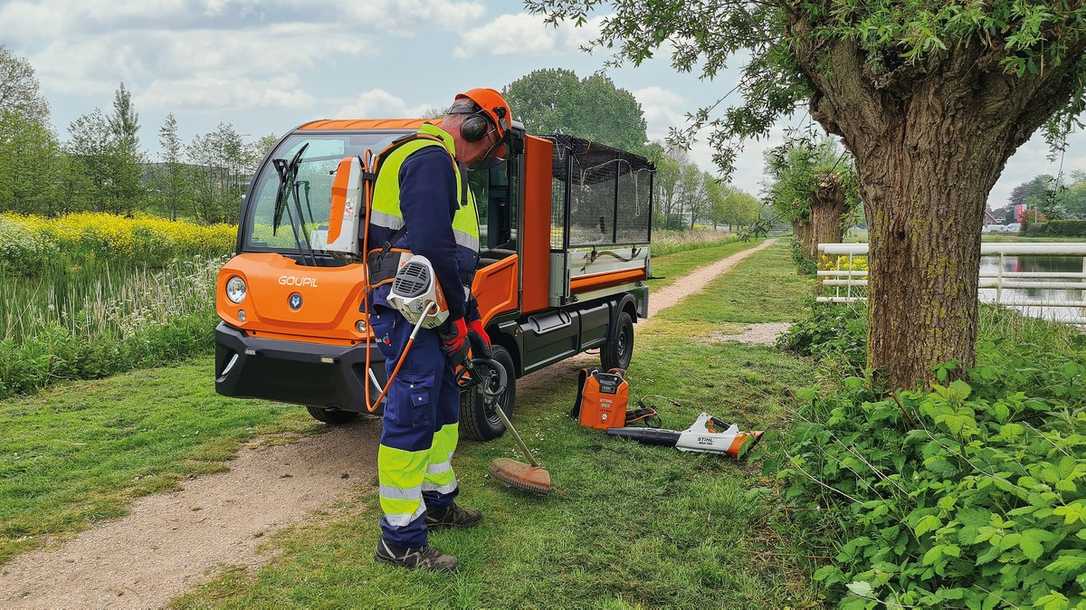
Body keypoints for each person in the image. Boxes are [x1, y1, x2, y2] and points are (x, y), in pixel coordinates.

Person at [365, 88, 513, 572]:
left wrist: (468, 322)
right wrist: (452, 323)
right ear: (477, 128)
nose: (486, 156)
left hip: (438, 307)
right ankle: (401, 538)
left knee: (446, 406)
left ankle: (438, 501)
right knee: (413, 412)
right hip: (412, 311)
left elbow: (455, 260)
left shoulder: (450, 167)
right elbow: (429, 248)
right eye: (489, 146)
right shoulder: (428, 158)